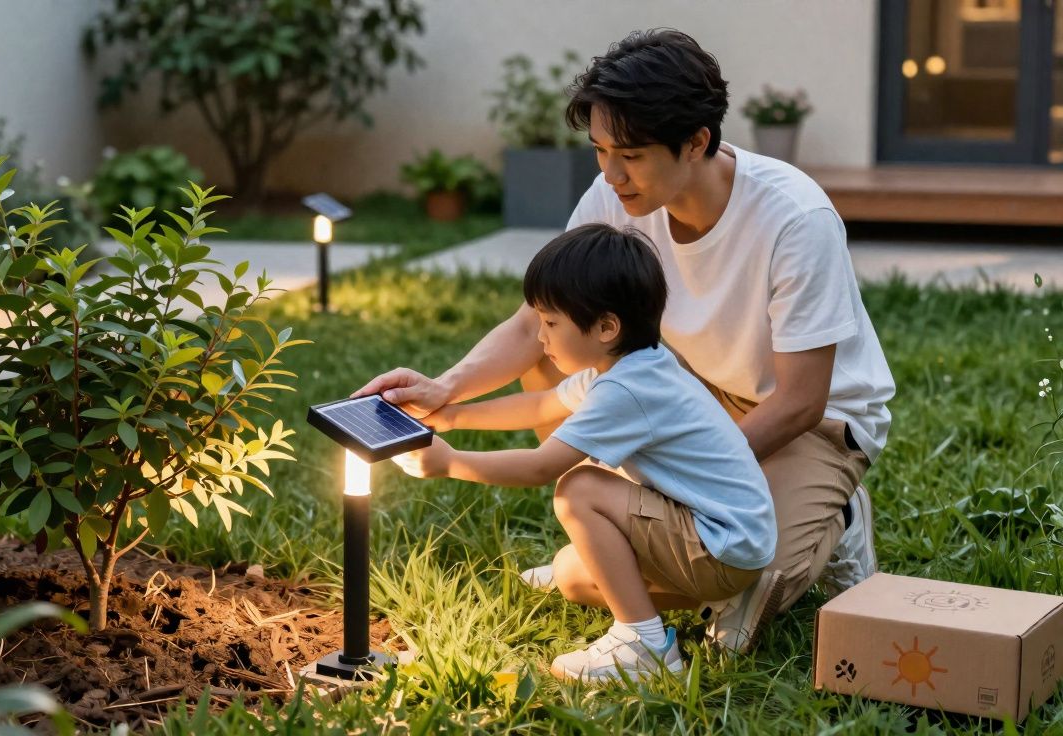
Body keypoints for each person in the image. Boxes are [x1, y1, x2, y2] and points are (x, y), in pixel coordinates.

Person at [358, 28, 894, 652]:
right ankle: (637, 537)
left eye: (631, 155)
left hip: (809, 425)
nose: (611, 173)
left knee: (757, 572)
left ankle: (837, 515)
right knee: (581, 576)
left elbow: (802, 399)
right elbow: (540, 321)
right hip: (683, 392)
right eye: (600, 150)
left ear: (696, 142)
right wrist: (446, 388)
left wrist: (681, 485)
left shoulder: (794, 218)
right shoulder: (618, 194)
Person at [393, 223, 776, 682]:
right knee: (572, 574)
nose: (540, 337)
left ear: (606, 326)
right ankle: (724, 599)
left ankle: (646, 647)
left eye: (551, 323)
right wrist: (451, 415)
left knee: (578, 489)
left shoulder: (628, 389)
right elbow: (539, 404)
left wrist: (449, 462)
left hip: (721, 546)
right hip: (725, 541)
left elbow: (541, 467)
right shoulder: (630, 365)